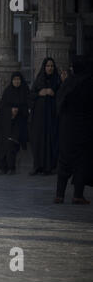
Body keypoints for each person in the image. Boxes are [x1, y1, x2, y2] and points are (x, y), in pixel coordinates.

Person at [54, 56, 93, 204]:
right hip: (83, 129)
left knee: (64, 161)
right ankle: (77, 195)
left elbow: (59, 104)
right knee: (81, 162)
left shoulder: (68, 83)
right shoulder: (88, 83)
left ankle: (60, 195)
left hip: (66, 129)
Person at [28, 57, 60, 176]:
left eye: (51, 66)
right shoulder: (39, 79)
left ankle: (49, 167)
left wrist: (54, 93)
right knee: (38, 141)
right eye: (47, 66)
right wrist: (39, 93)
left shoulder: (57, 80)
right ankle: (37, 166)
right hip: (39, 118)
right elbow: (31, 95)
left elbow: (62, 95)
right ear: (44, 67)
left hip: (51, 117)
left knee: (50, 140)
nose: (50, 68)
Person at [0, 72, 29, 175]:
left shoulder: (25, 92)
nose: (16, 82)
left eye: (18, 80)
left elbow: (27, 107)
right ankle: (3, 166)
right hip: (6, 123)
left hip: (19, 123)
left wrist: (18, 111)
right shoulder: (8, 92)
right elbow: (1, 107)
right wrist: (10, 111)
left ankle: (11, 167)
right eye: (14, 80)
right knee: (0, 138)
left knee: (11, 142)